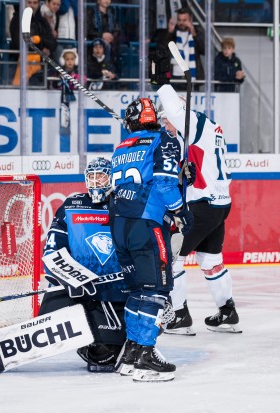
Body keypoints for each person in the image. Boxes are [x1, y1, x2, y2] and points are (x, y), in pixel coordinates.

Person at [151, 48, 241, 335]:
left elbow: (176, 112)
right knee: (210, 259)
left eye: (166, 120)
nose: (166, 125)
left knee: (171, 257)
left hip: (203, 205)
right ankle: (227, 312)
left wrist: (161, 83)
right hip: (218, 203)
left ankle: (179, 316)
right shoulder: (208, 129)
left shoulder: (196, 124)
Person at [109, 98, 194, 382]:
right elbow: (164, 183)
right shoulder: (164, 138)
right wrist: (180, 208)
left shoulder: (121, 146)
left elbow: (144, 179)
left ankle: (131, 354)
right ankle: (146, 355)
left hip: (120, 224)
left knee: (136, 291)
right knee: (156, 289)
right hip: (147, 224)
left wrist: (183, 176)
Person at [39, 157, 128, 372]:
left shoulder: (125, 205)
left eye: (102, 177)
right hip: (77, 287)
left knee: (106, 353)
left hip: (113, 289)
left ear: (112, 178)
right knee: (47, 320)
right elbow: (52, 250)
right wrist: (71, 278)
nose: (96, 182)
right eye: (92, 177)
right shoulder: (72, 205)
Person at [9, 0, 58, 86]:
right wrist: (42, 48)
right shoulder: (17, 20)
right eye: (29, 2)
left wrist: (39, 39)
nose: (32, 5)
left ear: (39, 4)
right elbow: (21, 43)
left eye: (35, 3)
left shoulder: (42, 21)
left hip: (42, 67)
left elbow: (53, 44)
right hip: (23, 65)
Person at [154, 8, 205, 85]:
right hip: (175, 77)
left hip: (192, 76)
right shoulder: (172, 33)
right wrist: (169, 32)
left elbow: (204, 50)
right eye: (179, 20)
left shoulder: (197, 32)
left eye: (185, 20)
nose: (181, 22)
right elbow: (161, 49)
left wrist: (194, 34)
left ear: (190, 20)